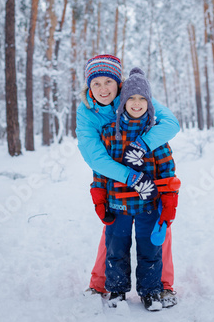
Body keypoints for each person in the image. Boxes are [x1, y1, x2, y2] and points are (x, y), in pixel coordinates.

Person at [76, 54, 180, 307]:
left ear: (119, 83)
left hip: (148, 189)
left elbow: (171, 124)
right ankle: (101, 284)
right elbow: (96, 159)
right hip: (116, 182)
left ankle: (162, 286)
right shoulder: (87, 113)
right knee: (113, 238)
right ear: (88, 86)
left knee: (158, 232)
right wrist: (130, 179)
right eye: (96, 83)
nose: (103, 89)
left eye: (108, 82)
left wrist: (143, 145)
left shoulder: (133, 95)